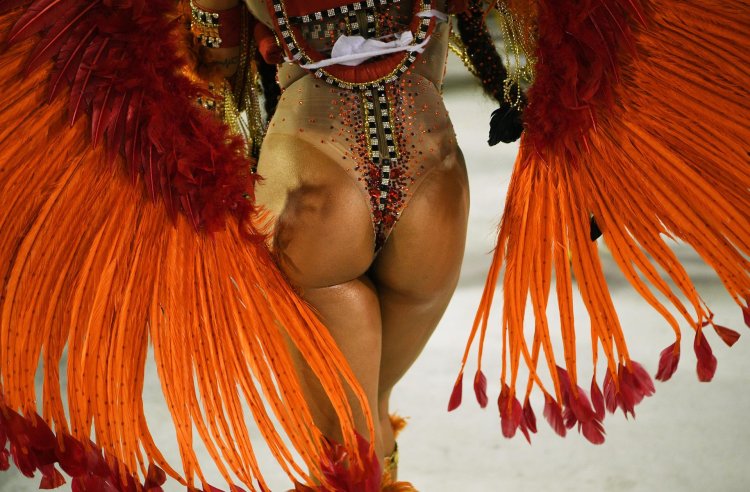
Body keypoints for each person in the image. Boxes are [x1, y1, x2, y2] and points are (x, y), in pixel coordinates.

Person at [0, 0, 747, 491]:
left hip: (314, 178)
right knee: (369, 418)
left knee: (346, 449)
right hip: (435, 183)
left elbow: (205, 64)